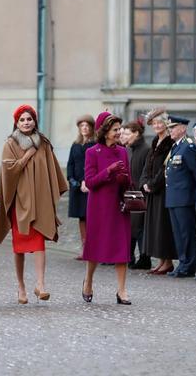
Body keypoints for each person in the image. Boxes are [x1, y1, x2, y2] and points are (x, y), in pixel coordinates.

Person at [0, 105, 68, 304]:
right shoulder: (11, 143)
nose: (26, 122)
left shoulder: (43, 143)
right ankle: (21, 287)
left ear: (35, 121)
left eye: (29, 119)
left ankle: (41, 284)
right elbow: (7, 171)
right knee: (20, 245)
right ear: (16, 123)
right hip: (19, 201)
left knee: (39, 242)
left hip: (40, 199)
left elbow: (52, 169)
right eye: (22, 120)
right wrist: (26, 156)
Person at [81, 111, 132, 304]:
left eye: (119, 129)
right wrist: (108, 171)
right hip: (99, 207)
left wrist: (124, 178)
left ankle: (122, 290)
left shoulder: (122, 152)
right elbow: (91, 182)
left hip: (119, 206)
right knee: (95, 246)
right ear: (104, 131)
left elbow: (128, 182)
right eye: (115, 129)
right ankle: (88, 281)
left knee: (121, 248)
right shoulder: (92, 152)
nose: (119, 132)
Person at [139, 108, 176, 275]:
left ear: (166, 123)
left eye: (159, 122)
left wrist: (153, 184)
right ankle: (160, 260)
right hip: (152, 191)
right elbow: (148, 165)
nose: (157, 125)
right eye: (154, 123)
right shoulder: (155, 141)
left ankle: (167, 261)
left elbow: (164, 168)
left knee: (163, 226)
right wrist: (145, 182)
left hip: (162, 191)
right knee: (154, 226)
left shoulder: (169, 142)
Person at [164, 116, 196, 278]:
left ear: (183, 129)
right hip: (173, 197)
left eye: (173, 127)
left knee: (186, 233)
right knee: (178, 233)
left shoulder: (188, 147)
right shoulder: (176, 147)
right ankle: (183, 263)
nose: (170, 130)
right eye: (170, 127)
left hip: (184, 198)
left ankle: (188, 265)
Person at [67, 114, 95, 260]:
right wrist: (72, 179)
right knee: (81, 217)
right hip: (76, 187)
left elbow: (92, 165)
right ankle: (84, 247)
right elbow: (70, 163)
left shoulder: (94, 144)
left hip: (90, 186)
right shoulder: (75, 144)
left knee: (91, 216)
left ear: (91, 128)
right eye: (82, 126)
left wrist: (86, 181)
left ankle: (92, 248)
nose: (84, 128)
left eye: (87, 126)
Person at [123, 120, 151, 270]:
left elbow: (146, 171)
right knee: (129, 226)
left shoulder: (145, 149)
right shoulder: (128, 149)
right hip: (129, 192)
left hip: (139, 193)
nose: (124, 136)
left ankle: (144, 258)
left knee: (139, 227)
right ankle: (129, 257)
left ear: (136, 134)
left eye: (127, 133)